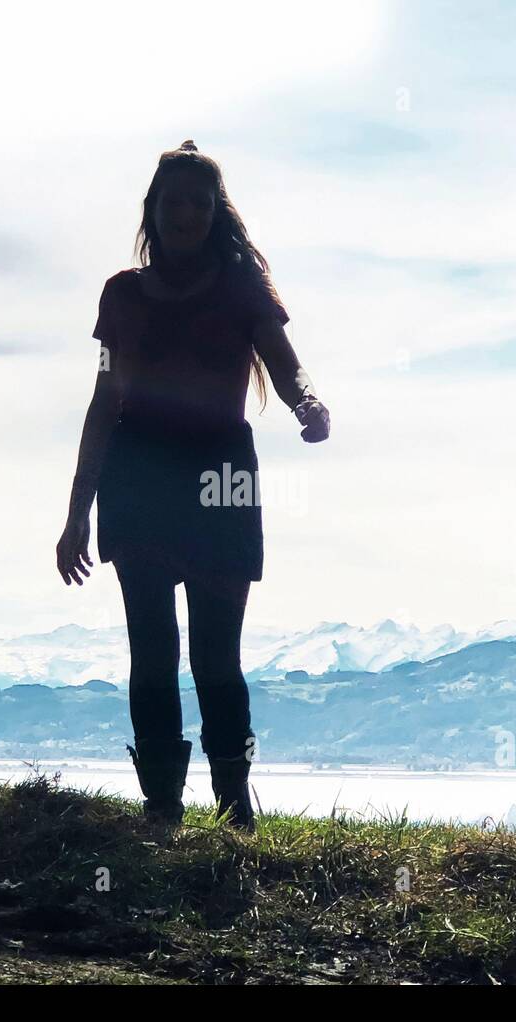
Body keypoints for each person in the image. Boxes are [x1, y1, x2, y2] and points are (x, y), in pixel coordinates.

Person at [55, 140, 330, 830]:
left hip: (221, 477)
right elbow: (102, 400)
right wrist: (76, 512)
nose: (184, 214)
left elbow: (285, 363)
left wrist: (310, 406)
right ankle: (162, 807)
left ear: (216, 213)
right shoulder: (120, 296)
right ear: (152, 210)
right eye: (172, 201)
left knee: (216, 653)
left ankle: (234, 807)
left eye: (197, 203)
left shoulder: (243, 287)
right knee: (151, 647)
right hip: (138, 474)